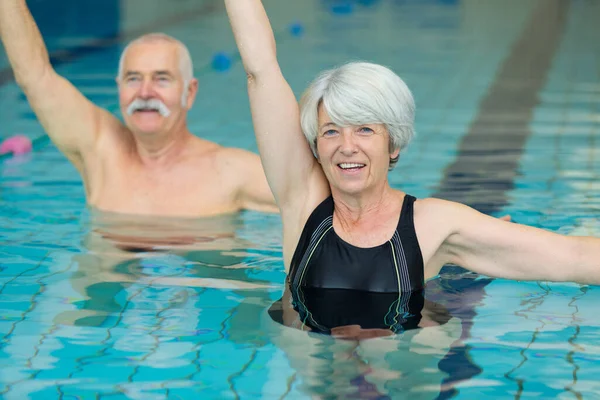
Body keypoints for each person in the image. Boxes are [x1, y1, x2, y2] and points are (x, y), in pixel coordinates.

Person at [224, 0, 600, 335]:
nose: (346, 146)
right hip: (316, 381)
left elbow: (575, 258)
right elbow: (260, 69)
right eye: (331, 131)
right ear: (316, 147)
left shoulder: (433, 224)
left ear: (395, 143)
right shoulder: (301, 202)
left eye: (365, 129)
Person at [0, 0, 277, 217]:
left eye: (161, 78)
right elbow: (35, 76)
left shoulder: (230, 171)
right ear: (118, 87)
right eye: (133, 78)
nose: (145, 92)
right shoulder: (99, 151)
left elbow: (307, 201)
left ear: (189, 93)